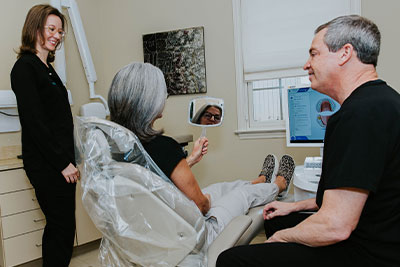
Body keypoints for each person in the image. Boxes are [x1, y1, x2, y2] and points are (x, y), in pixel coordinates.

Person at [216, 15, 400, 267]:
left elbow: (336, 226)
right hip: (379, 232)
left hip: (368, 253)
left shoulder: (358, 115)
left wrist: (283, 238)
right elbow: (355, 191)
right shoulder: (383, 101)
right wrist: (294, 207)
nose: (306, 65)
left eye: (314, 54)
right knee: (275, 219)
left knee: (231, 260)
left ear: (345, 53)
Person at [107, 62, 296, 246]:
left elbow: (152, 181)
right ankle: (279, 185)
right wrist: (208, 200)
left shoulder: (115, 148)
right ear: (151, 101)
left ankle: (261, 180)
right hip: (194, 236)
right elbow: (202, 206)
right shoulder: (162, 147)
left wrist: (188, 161)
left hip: (155, 230)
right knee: (243, 194)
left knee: (222, 187)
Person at [10, 5, 79, 266]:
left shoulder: (47, 68)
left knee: (62, 229)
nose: (57, 35)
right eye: (51, 29)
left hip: (61, 162)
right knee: (60, 229)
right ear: (35, 29)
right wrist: (62, 163)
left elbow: (58, 119)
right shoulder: (24, 68)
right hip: (48, 165)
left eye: (60, 31)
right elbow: (35, 123)